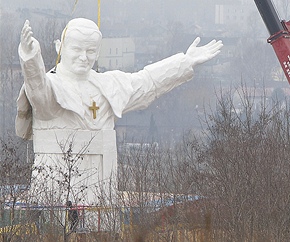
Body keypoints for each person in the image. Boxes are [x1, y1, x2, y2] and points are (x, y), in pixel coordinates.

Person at [16, 18, 223, 205]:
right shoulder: (51, 88)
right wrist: (30, 57)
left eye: (90, 51)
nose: (83, 57)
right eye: (77, 49)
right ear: (60, 48)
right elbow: (37, 87)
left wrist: (185, 61)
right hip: (54, 196)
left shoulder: (109, 85)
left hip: (102, 198)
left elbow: (147, 82)